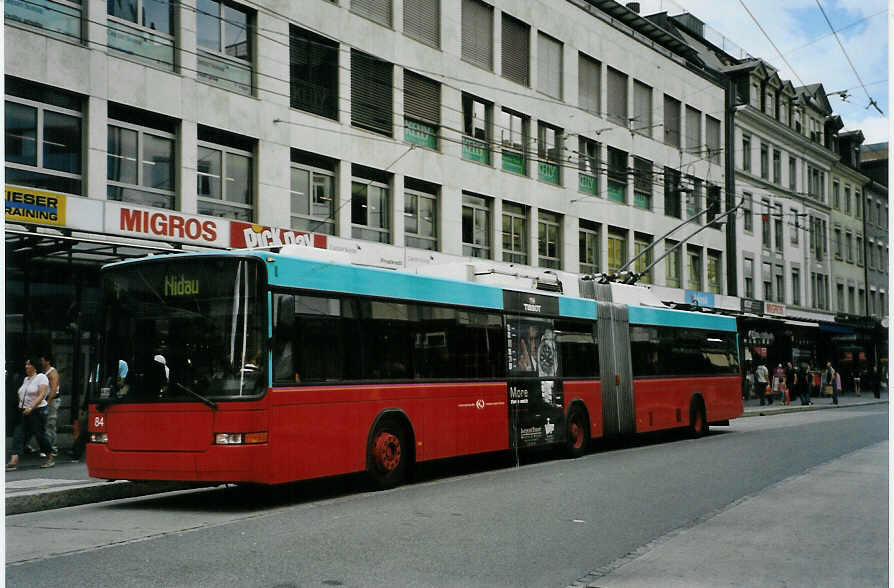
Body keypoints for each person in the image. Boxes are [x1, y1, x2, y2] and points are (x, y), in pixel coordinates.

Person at [6, 358, 56, 470]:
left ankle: (50, 457)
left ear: (34, 366)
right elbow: (22, 392)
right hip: (24, 411)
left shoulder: (41, 377)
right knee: (18, 434)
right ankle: (13, 461)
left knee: (40, 435)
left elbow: (42, 394)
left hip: (37, 411)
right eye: (26, 364)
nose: (26, 366)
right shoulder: (26, 379)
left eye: (28, 364)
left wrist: (31, 407)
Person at [40, 354, 60, 456]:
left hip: (52, 401)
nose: (41, 362)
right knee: (46, 424)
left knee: (50, 424)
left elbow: (54, 389)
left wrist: (47, 401)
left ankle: (52, 448)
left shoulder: (52, 373)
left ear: (47, 362)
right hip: (47, 400)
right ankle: (48, 447)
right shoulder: (45, 372)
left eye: (42, 360)